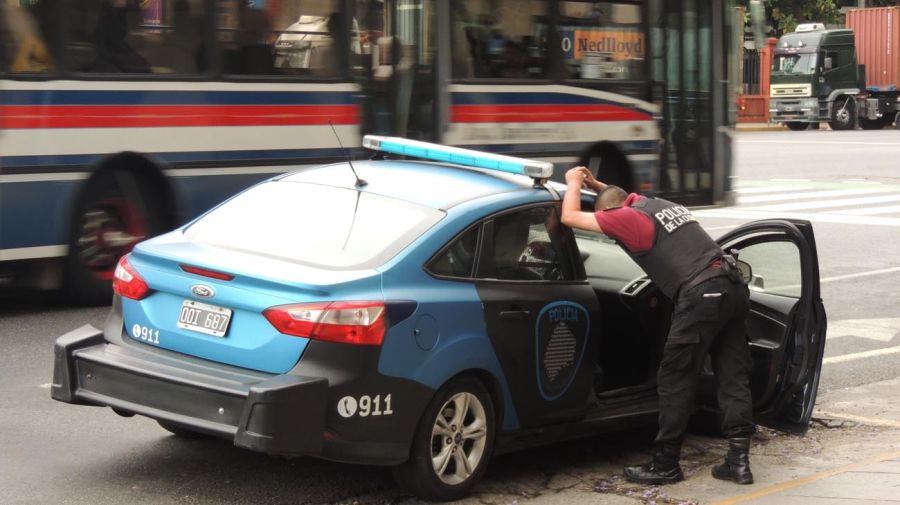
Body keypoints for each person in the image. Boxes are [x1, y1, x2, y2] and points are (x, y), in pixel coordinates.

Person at [559, 166, 755, 486]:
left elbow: (569, 218)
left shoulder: (624, 218)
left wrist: (571, 183)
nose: (610, 228)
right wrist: (596, 184)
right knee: (732, 373)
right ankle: (738, 460)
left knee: (675, 377)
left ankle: (666, 464)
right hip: (732, 286)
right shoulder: (656, 205)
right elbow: (615, 198)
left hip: (700, 296)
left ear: (609, 212)